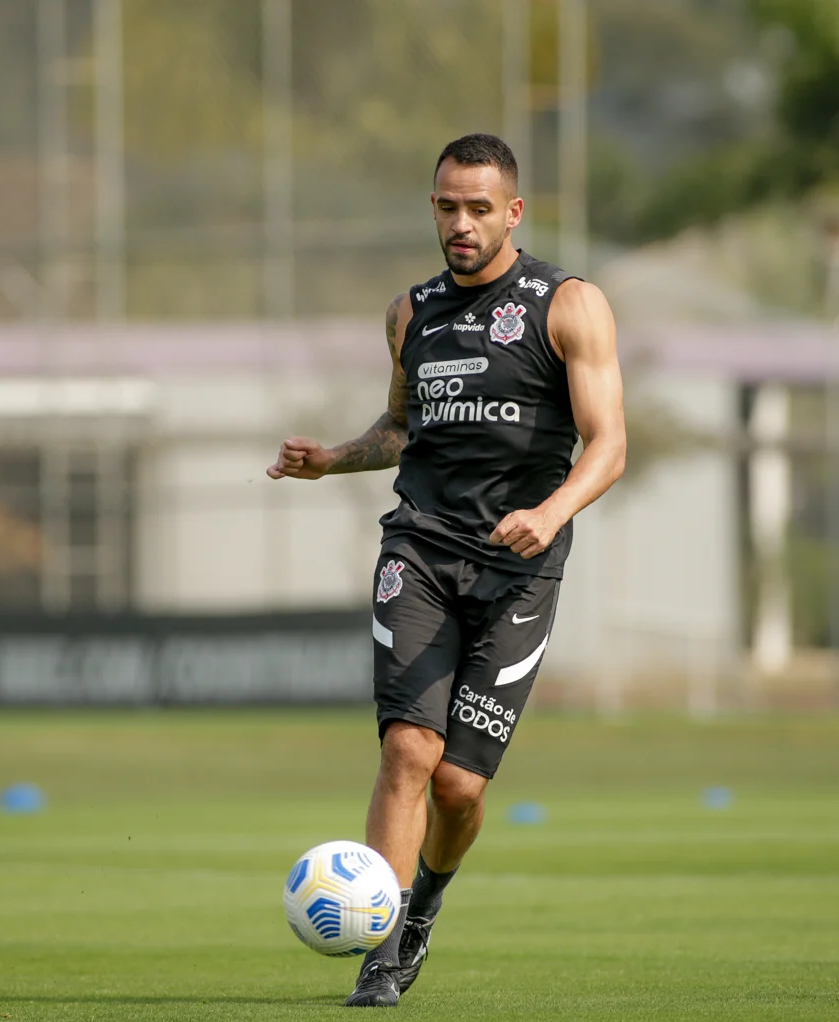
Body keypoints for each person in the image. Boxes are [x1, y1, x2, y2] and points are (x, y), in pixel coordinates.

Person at [266, 132, 626, 1008]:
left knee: (460, 787)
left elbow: (609, 444)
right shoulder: (409, 313)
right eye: (445, 207)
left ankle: (422, 905)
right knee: (407, 751)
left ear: (513, 211)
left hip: (518, 569)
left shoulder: (567, 304)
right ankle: (381, 954)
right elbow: (400, 432)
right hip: (419, 550)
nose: (460, 224)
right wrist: (334, 459)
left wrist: (548, 513)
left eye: (477, 208)